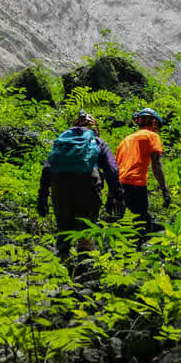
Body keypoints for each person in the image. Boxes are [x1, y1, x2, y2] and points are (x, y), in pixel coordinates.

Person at [37, 112, 121, 263]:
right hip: (88, 182)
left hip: (59, 183)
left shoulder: (62, 143)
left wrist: (42, 198)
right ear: (94, 129)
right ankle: (85, 259)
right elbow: (112, 170)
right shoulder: (97, 142)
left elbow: (47, 168)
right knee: (86, 222)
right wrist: (116, 194)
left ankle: (63, 258)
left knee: (63, 222)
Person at [116, 107, 171, 240]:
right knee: (137, 228)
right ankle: (137, 254)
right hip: (136, 184)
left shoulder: (126, 139)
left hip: (119, 185)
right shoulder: (152, 136)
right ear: (154, 123)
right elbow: (156, 164)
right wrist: (164, 189)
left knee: (126, 224)